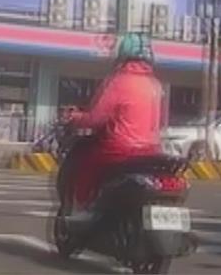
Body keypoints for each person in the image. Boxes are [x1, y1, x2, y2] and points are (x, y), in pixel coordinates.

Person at [67, 32, 163, 220]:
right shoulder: (155, 85)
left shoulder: (118, 81)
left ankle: (83, 211)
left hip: (120, 149)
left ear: (122, 54)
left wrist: (75, 117)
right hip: (151, 150)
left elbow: (96, 119)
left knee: (87, 165)